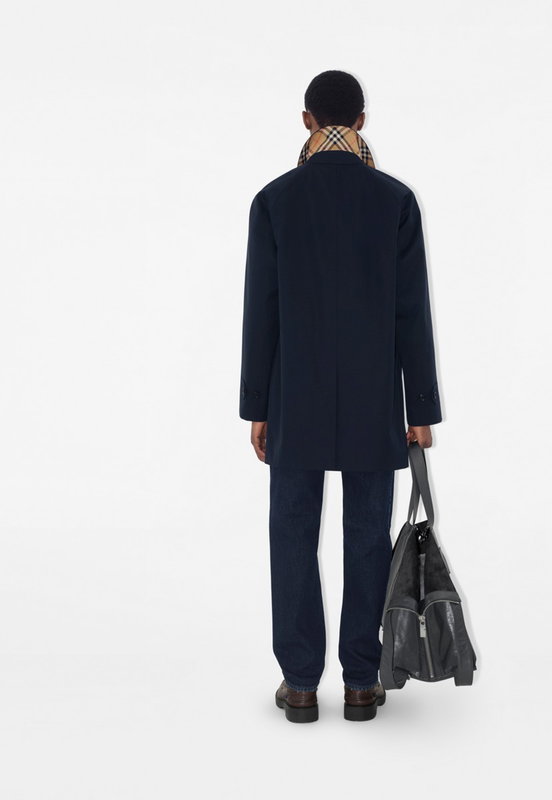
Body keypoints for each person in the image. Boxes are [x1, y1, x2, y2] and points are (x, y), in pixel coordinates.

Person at [238, 70, 442, 723]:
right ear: (362, 121)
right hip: (374, 399)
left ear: (306, 120)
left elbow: (261, 312)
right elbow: (412, 313)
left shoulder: (274, 200)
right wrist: (421, 410)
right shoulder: (395, 200)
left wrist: (256, 406)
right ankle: (360, 681)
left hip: (293, 398)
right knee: (367, 537)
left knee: (292, 535)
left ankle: (300, 683)